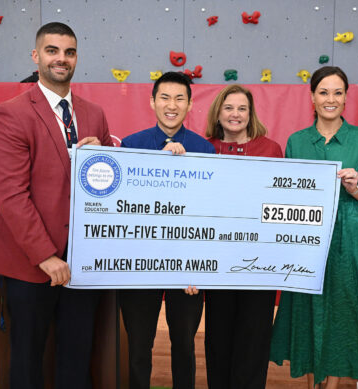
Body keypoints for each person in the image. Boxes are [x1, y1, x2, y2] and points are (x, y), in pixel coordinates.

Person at [0, 22, 113, 389]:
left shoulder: (94, 113)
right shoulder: (12, 112)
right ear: (36, 56)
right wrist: (45, 256)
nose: (62, 58)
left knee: (76, 356)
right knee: (27, 359)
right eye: (53, 51)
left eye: (69, 52)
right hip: (31, 263)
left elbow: (108, 185)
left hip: (82, 261)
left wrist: (104, 158)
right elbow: (10, 194)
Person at [270, 66, 358, 388]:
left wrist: (354, 187)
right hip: (307, 236)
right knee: (306, 308)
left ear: (346, 97)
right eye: (323, 92)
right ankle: (311, 382)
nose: (330, 99)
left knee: (342, 312)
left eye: (337, 92)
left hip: (350, 233)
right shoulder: (297, 141)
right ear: (312, 97)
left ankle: (331, 385)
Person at [119, 71, 214, 389]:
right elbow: (123, 208)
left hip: (187, 269)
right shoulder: (132, 145)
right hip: (140, 266)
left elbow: (209, 214)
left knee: (185, 346)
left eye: (179, 98)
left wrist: (197, 268)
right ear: (152, 101)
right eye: (164, 97)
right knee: (138, 348)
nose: (171, 105)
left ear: (189, 104)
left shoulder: (204, 149)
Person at [204, 84, 282, 389]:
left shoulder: (271, 149)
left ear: (251, 115)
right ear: (218, 113)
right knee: (218, 338)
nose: (235, 114)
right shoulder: (204, 148)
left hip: (259, 265)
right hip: (218, 264)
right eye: (228, 108)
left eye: (242, 109)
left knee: (254, 339)